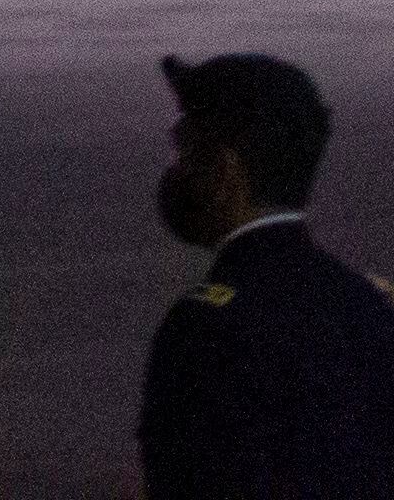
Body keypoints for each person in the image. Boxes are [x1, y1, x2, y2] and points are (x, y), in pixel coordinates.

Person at [141, 51, 394, 498]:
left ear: (223, 170)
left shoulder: (205, 330)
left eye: (182, 149)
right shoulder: (373, 304)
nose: (174, 171)